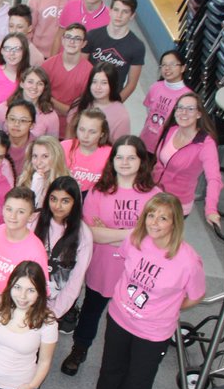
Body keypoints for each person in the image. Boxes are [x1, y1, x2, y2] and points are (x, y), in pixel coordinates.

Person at [74, 194, 205, 389]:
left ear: (175, 222)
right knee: (110, 373)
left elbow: (196, 295)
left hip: (153, 333)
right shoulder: (135, 239)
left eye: (163, 217)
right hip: (120, 319)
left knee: (136, 385)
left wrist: (170, 308)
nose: (155, 222)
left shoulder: (188, 260)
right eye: (151, 215)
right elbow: (125, 266)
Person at [62, 137, 161, 376]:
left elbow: (154, 235)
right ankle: (80, 347)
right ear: (112, 160)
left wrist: (112, 234)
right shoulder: (99, 191)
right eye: (119, 157)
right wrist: (134, 232)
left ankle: (123, 358)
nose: (124, 162)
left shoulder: (154, 195)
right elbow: (91, 233)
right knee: (91, 310)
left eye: (131, 157)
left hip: (136, 271)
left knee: (130, 317)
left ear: (141, 161)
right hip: (102, 266)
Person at [152, 91, 223, 227]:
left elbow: (214, 178)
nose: (183, 112)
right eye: (180, 107)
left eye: (190, 109)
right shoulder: (171, 129)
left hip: (175, 204)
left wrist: (211, 210)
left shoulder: (205, 144)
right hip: (154, 193)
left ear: (199, 114)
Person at [33, 175, 93, 326]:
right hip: (25, 296)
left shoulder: (83, 235)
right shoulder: (35, 221)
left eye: (65, 201)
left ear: (75, 203)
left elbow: (75, 280)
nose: (57, 205)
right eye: (53, 199)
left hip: (53, 304)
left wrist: (55, 311)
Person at [0, 186, 49, 294]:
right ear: (3, 209)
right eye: (9, 209)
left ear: (31, 216)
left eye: (21, 212)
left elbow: (39, 292)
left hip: (9, 309)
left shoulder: (36, 252)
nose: (13, 216)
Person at [85, 0, 145, 100]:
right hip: (87, 95)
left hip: (111, 98)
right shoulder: (92, 35)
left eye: (125, 12)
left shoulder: (137, 46)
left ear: (132, 16)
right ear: (110, 11)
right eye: (116, 10)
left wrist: (115, 105)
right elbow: (81, 68)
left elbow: (131, 84)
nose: (119, 15)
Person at [140, 49, 191, 152]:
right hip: (145, 141)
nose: (167, 68)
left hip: (166, 147)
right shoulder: (155, 87)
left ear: (183, 68)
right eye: (163, 65)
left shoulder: (188, 96)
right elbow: (149, 112)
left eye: (172, 64)